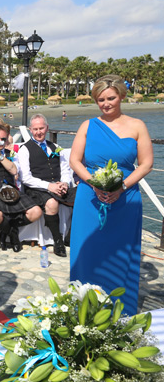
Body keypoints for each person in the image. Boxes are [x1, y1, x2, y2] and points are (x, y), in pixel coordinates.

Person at [69, 75, 153, 316]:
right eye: (100, 99)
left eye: (111, 98)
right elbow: (75, 160)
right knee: (87, 251)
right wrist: (95, 183)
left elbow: (146, 164)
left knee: (121, 253)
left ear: (121, 96)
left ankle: (119, 312)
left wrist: (121, 187)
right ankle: (83, 308)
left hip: (125, 199)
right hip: (90, 197)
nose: (106, 103)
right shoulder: (87, 125)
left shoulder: (137, 125)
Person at [0, 121, 42, 252]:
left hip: (11, 191)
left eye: (3, 139)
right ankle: (13, 233)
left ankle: (7, 229)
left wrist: (1, 156)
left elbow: (14, 170)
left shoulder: (11, 153)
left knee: (36, 212)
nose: (0, 142)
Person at [18, 114, 75, 258]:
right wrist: (49, 186)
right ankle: (58, 241)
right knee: (52, 203)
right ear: (31, 130)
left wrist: (65, 183)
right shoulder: (25, 149)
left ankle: (70, 237)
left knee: (84, 195)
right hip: (37, 189)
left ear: (47, 128)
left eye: (41, 128)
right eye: (35, 129)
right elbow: (26, 178)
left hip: (58, 186)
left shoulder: (56, 147)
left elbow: (65, 170)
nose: (38, 132)